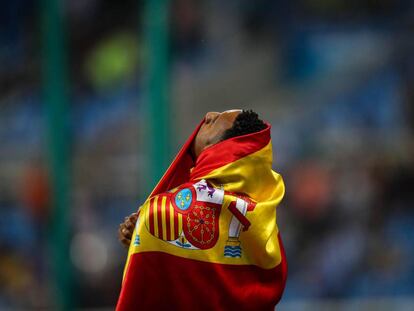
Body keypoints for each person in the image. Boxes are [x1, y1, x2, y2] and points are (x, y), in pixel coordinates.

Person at [116, 110, 287, 311]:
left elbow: (145, 294)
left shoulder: (162, 212)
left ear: (218, 147)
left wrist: (146, 236)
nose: (208, 115)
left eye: (214, 122)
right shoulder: (263, 219)